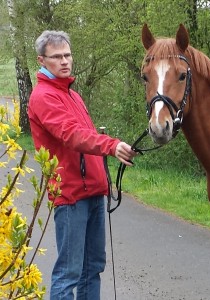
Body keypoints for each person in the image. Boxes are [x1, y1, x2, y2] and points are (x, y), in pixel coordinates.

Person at [28, 30, 136, 300]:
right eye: (56, 57)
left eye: (67, 55)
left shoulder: (73, 96)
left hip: (94, 193)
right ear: (42, 60)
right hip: (71, 196)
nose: (64, 61)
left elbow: (86, 141)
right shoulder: (43, 96)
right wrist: (111, 145)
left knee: (93, 269)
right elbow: (72, 135)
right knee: (69, 273)